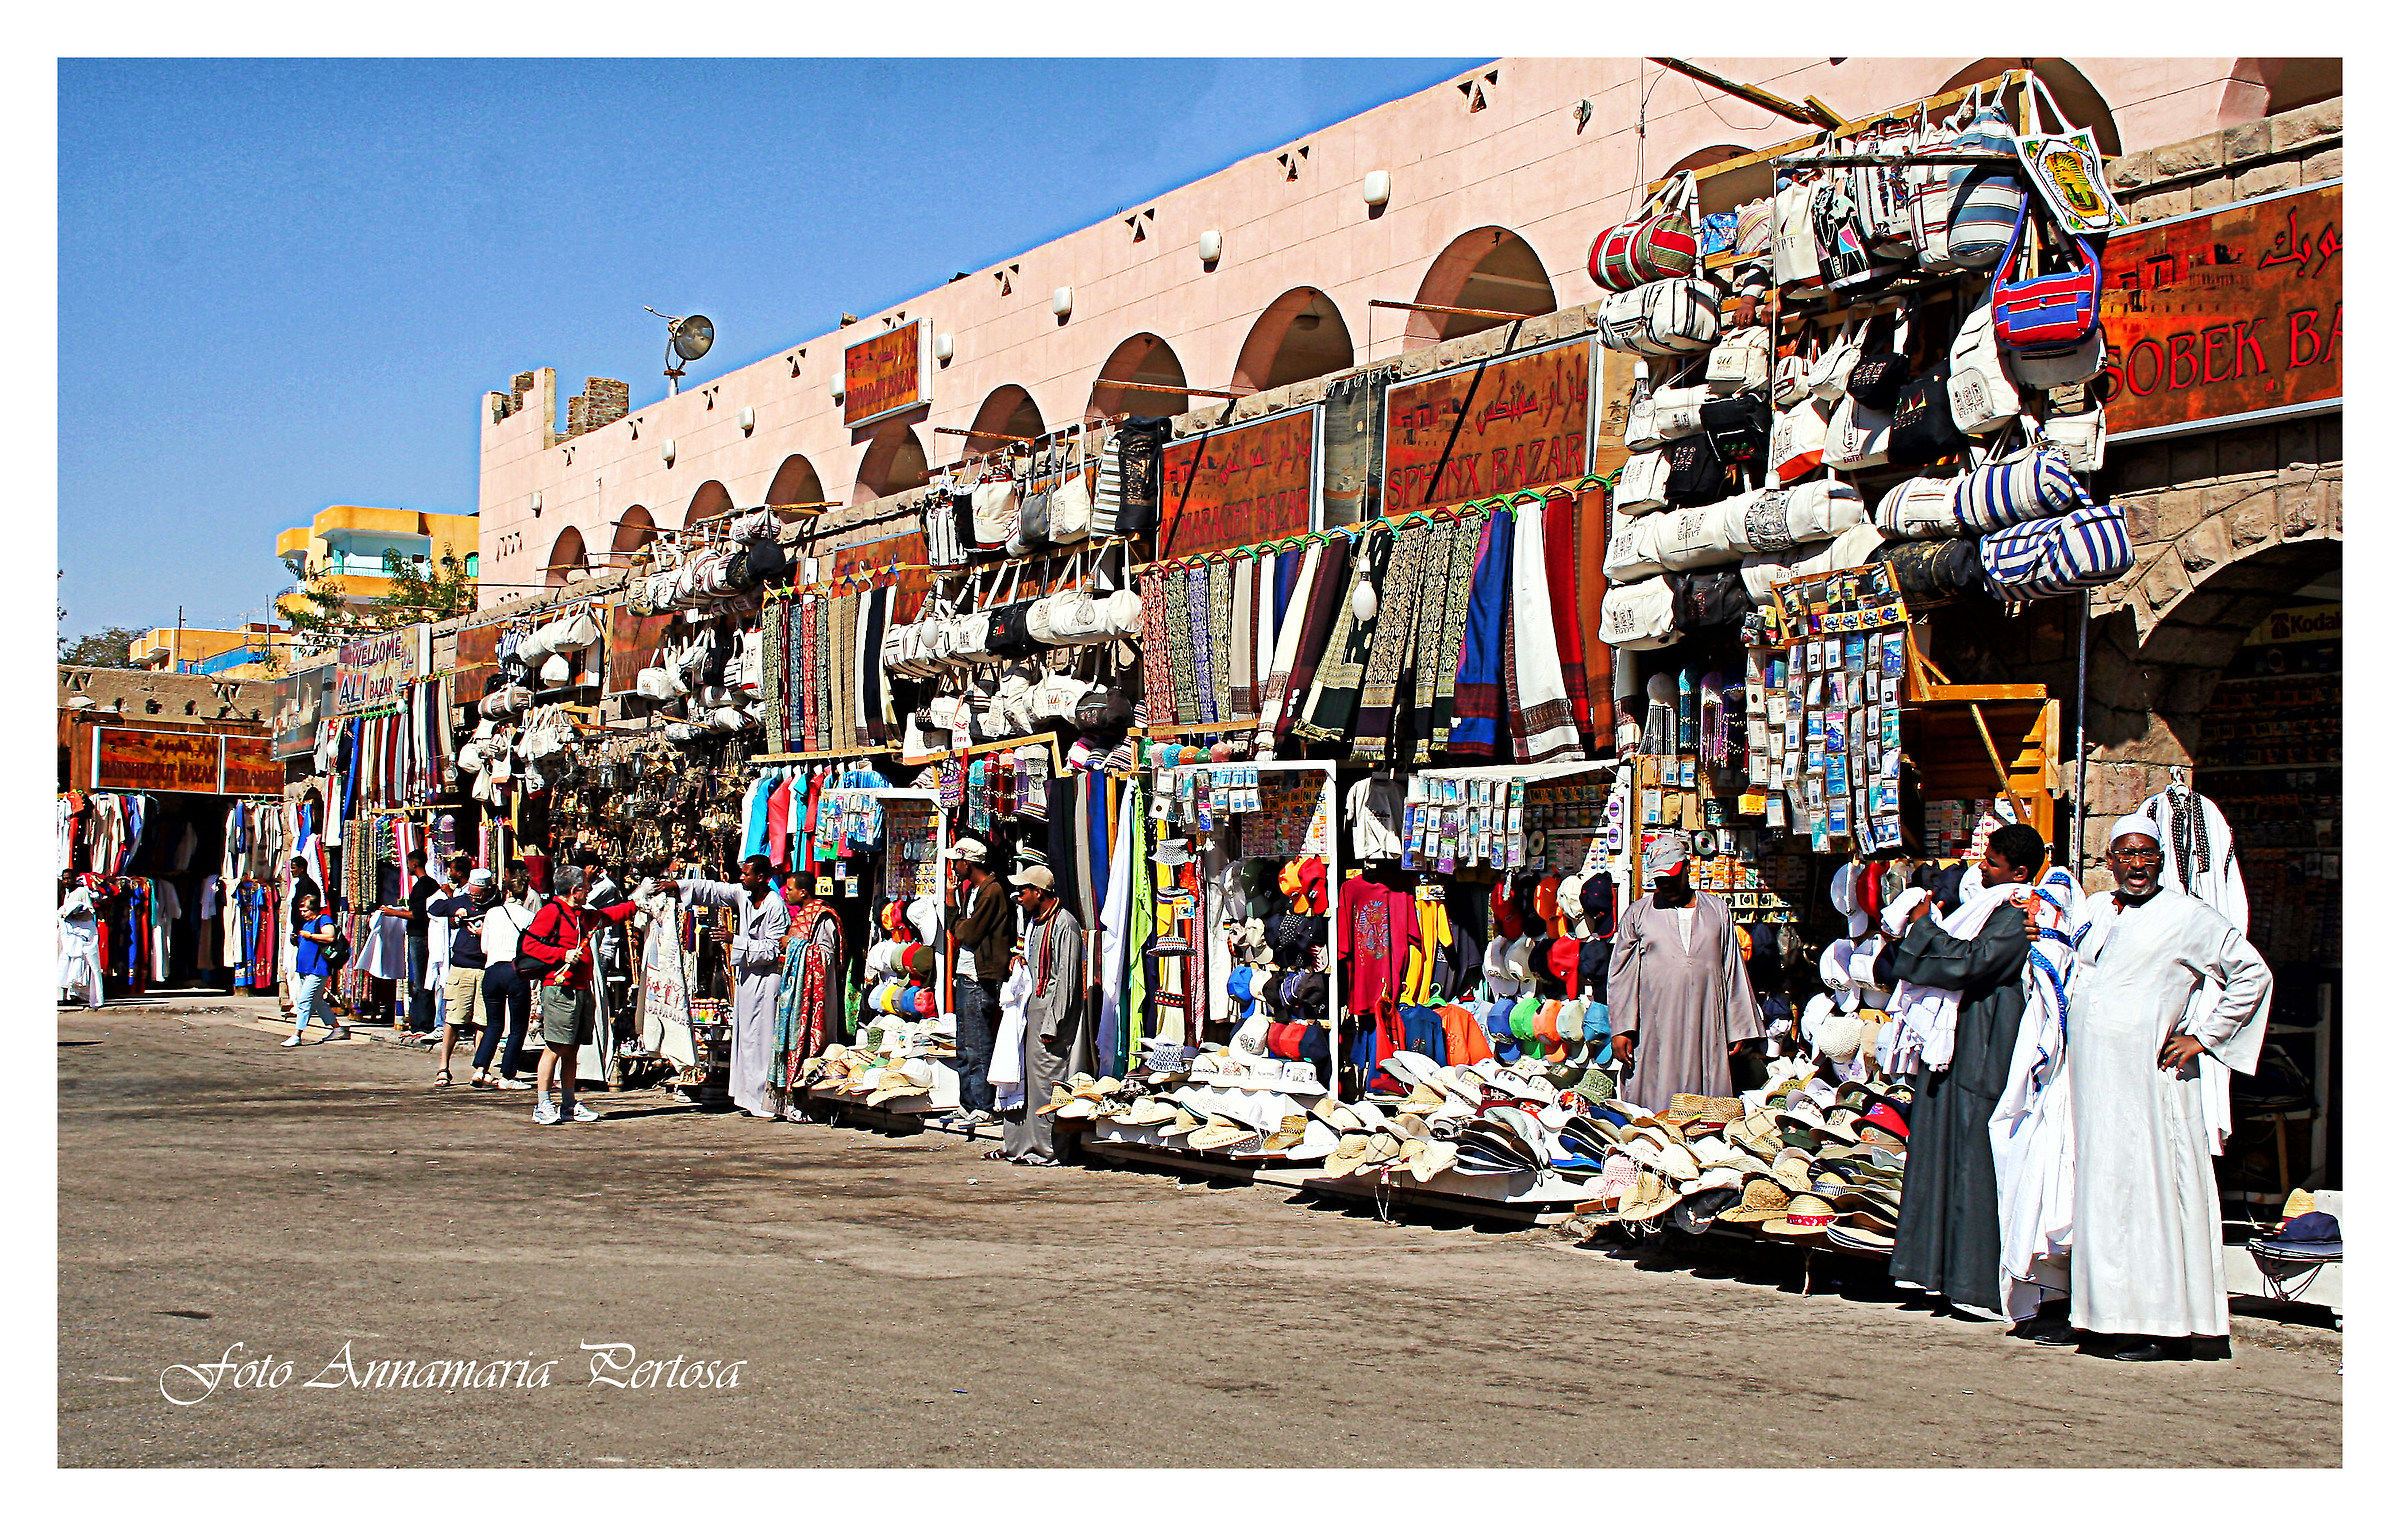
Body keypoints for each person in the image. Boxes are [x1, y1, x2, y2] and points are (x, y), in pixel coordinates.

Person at [2060, 817, 2272, 1361]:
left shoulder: (2187, 916)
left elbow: (2252, 974)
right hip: (2097, 1083)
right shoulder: (2099, 910)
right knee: (2104, 1192)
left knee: (2150, 1192)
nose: (2138, 865)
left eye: (2148, 855)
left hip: (2150, 1083)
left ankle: (2161, 1323)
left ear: (2161, 860)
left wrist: (2204, 1037)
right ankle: (2105, 1316)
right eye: (2127, 855)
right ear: (2110, 861)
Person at [1884, 822, 2044, 1322]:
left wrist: (1923, 928)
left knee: (1975, 1158)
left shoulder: (2020, 915)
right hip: (1957, 1047)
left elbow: (1970, 963)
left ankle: (1976, 1282)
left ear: (2018, 872)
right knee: (1939, 1153)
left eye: (1991, 864)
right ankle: (1933, 1273)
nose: (1981, 869)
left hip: (1987, 1046)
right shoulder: (1988, 909)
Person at [1606, 833, 1762, 1112]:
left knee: (1707, 1096)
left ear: (1687, 867)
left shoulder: (1717, 911)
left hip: (1706, 1020)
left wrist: (1737, 1026)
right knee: (1655, 1094)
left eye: (1671, 876)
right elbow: (1621, 976)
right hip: (1656, 1024)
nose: (1665, 885)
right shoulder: (1638, 914)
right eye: (1660, 880)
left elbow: (1732, 969)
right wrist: (1621, 1029)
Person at [666, 856, 791, 1120]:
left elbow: (773, 948)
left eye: (746, 874)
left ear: (761, 877)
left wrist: (735, 939)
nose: (741, 878)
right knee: (745, 1036)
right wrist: (677, 885)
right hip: (747, 977)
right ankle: (746, 1095)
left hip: (767, 979)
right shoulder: (742, 894)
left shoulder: (774, 905)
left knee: (762, 1039)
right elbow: (712, 890)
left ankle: (764, 1098)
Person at [518, 865, 641, 1124]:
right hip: (560, 987)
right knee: (554, 1046)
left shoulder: (580, 914)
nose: (589, 892)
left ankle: (568, 1102)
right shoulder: (551, 912)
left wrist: (636, 903)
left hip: (580, 988)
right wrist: (560, 955)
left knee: (571, 1049)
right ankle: (542, 1103)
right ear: (574, 891)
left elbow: (606, 916)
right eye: (586, 889)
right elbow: (530, 944)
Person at [997, 864, 1087, 1166]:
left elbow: (1067, 979)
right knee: (1021, 1079)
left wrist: (1053, 1021)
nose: (1018, 896)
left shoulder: (1065, 924)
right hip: (1030, 1015)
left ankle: (1049, 1149)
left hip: (1050, 1019)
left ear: (1038, 892)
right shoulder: (1036, 923)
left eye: (1023, 890)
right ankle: (1018, 1146)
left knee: (1048, 1083)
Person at [937, 836, 1010, 1133]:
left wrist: (952, 904)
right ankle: (969, 1104)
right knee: (965, 1045)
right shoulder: (976, 891)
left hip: (979, 978)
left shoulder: (991, 892)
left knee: (977, 1045)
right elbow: (961, 930)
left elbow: (967, 934)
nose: (954, 865)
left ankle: (982, 1105)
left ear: (968, 862)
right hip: (967, 975)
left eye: (957, 860)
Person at [470, 864, 539, 1092]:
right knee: (517, 1027)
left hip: (492, 971)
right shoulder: (529, 917)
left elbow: (484, 947)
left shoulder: (492, 913)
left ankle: (480, 1069)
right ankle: (507, 1074)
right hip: (515, 971)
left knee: (494, 1024)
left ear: (507, 891)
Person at [426, 867, 496, 1088]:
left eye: (478, 894)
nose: (475, 897)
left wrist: (486, 932)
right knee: (454, 1018)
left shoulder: (498, 905)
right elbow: (434, 908)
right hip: (461, 965)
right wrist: (455, 913)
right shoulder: (461, 900)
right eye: (472, 893)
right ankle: (443, 1068)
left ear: (489, 889)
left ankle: (481, 1068)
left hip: (486, 966)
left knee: (483, 1022)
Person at [376, 850, 439, 1041]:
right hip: (422, 935)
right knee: (420, 981)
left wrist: (393, 913)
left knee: (420, 982)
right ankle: (420, 1021)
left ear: (414, 864)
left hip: (419, 936)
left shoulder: (423, 886)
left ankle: (422, 1023)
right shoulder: (431, 885)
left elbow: (418, 914)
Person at [282, 891, 348, 1046]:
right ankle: (337, 1029)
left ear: (314, 909)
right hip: (306, 969)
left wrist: (310, 936)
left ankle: (297, 1034)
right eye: (301, 911)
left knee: (304, 1001)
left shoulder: (323, 919)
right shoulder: (307, 924)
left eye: (305, 910)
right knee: (317, 1001)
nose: (303, 914)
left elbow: (329, 936)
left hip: (317, 969)